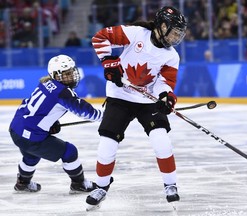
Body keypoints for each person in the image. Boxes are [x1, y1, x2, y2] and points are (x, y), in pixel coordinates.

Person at [86, 6, 187, 210]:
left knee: (162, 141)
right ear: (162, 26)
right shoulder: (135, 34)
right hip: (119, 95)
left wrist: (165, 96)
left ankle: (170, 184)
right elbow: (100, 38)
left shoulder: (171, 56)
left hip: (147, 101)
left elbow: (165, 82)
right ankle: (102, 187)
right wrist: (108, 62)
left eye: (180, 33)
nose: (177, 37)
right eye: (175, 31)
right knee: (107, 145)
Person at [9, 54, 103, 194]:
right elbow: (84, 111)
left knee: (31, 155)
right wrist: (105, 117)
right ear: (56, 75)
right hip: (30, 135)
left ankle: (23, 183)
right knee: (70, 151)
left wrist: (50, 124)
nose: (71, 76)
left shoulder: (45, 82)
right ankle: (78, 184)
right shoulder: (63, 92)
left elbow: (37, 107)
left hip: (16, 129)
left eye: (71, 72)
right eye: (66, 74)